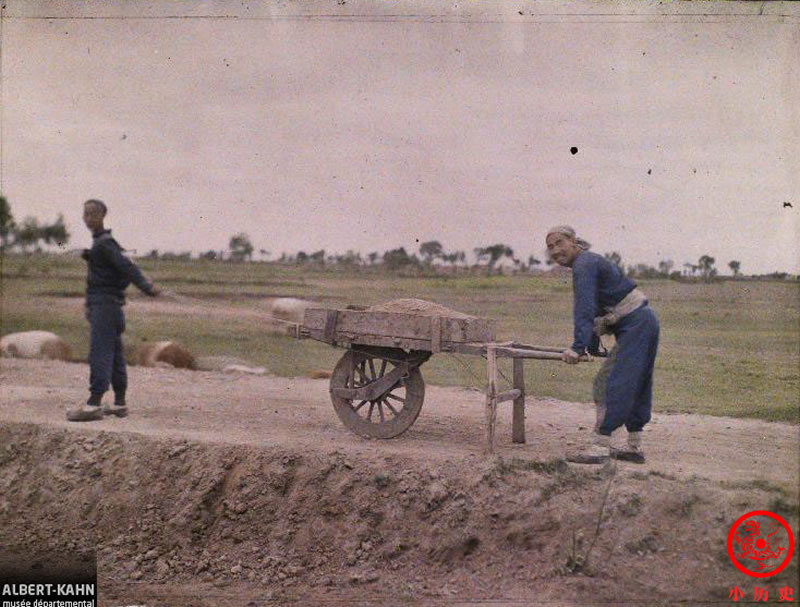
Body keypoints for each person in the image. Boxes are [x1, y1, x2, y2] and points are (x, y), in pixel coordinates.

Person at [546, 225, 659, 464]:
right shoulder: (589, 261)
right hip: (643, 321)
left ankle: (600, 446)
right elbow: (598, 313)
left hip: (636, 324)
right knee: (636, 384)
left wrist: (577, 348)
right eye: (550, 247)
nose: (555, 251)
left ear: (573, 241)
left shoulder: (583, 265)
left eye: (559, 243)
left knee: (607, 383)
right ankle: (634, 447)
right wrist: (590, 345)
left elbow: (584, 309)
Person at [66, 199, 161, 422]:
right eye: (86, 214)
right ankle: (119, 403)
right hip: (111, 307)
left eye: (93, 214)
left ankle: (93, 403)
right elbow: (113, 265)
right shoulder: (102, 244)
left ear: (102, 216)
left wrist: (148, 287)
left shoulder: (104, 244)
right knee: (115, 354)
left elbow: (127, 267)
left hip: (105, 308)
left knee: (100, 352)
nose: (88, 218)